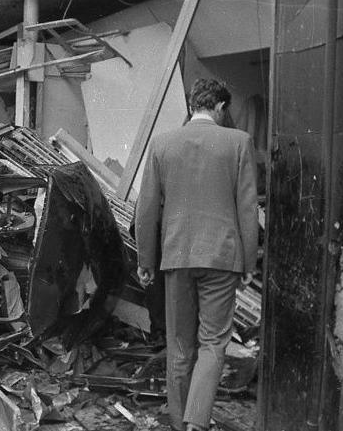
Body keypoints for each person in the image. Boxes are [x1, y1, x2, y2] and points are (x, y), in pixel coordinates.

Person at [134, 78, 259, 431]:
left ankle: (180, 422)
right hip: (221, 258)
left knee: (179, 344)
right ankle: (196, 422)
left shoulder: (162, 144)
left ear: (192, 105)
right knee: (214, 342)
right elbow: (247, 208)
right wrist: (249, 262)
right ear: (219, 108)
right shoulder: (239, 143)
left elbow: (146, 210)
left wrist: (146, 261)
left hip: (176, 257)